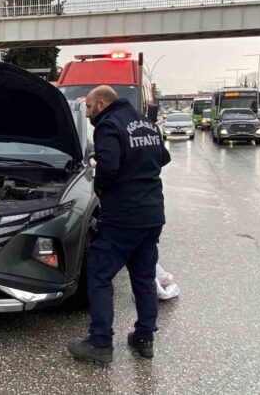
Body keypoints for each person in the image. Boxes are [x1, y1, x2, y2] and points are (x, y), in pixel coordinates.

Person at [68, 85, 171, 364]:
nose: (88, 114)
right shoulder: (147, 124)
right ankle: (144, 338)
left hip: (122, 217)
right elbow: (164, 157)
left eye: (89, 107)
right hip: (152, 214)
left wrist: (101, 189)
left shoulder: (108, 125)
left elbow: (108, 167)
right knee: (143, 276)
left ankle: (100, 342)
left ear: (101, 104)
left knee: (100, 275)